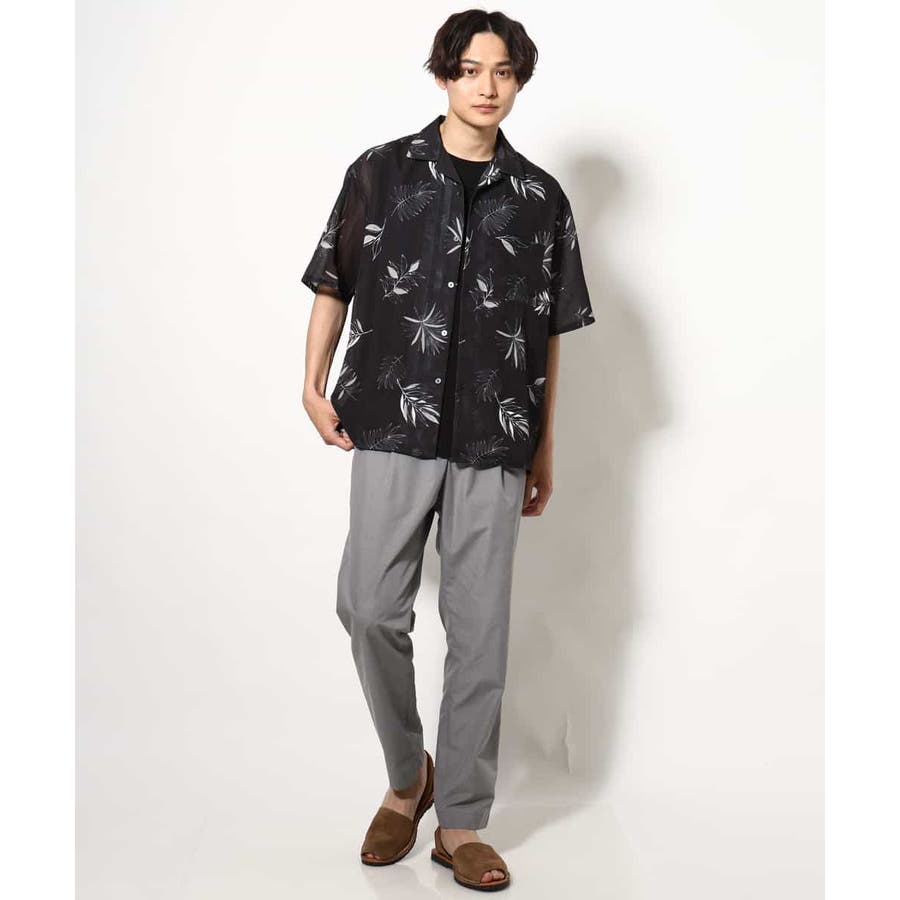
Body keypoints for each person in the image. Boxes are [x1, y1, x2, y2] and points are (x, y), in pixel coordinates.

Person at [300, 8, 595, 890]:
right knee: (368, 607)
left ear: (519, 80)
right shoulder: (381, 172)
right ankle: (408, 778)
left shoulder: (542, 199)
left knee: (479, 631)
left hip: (494, 434)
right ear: (443, 76)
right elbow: (333, 280)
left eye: (503, 71)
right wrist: (311, 384)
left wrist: (544, 446)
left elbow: (548, 333)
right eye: (470, 70)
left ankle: (460, 819)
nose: (486, 87)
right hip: (391, 418)